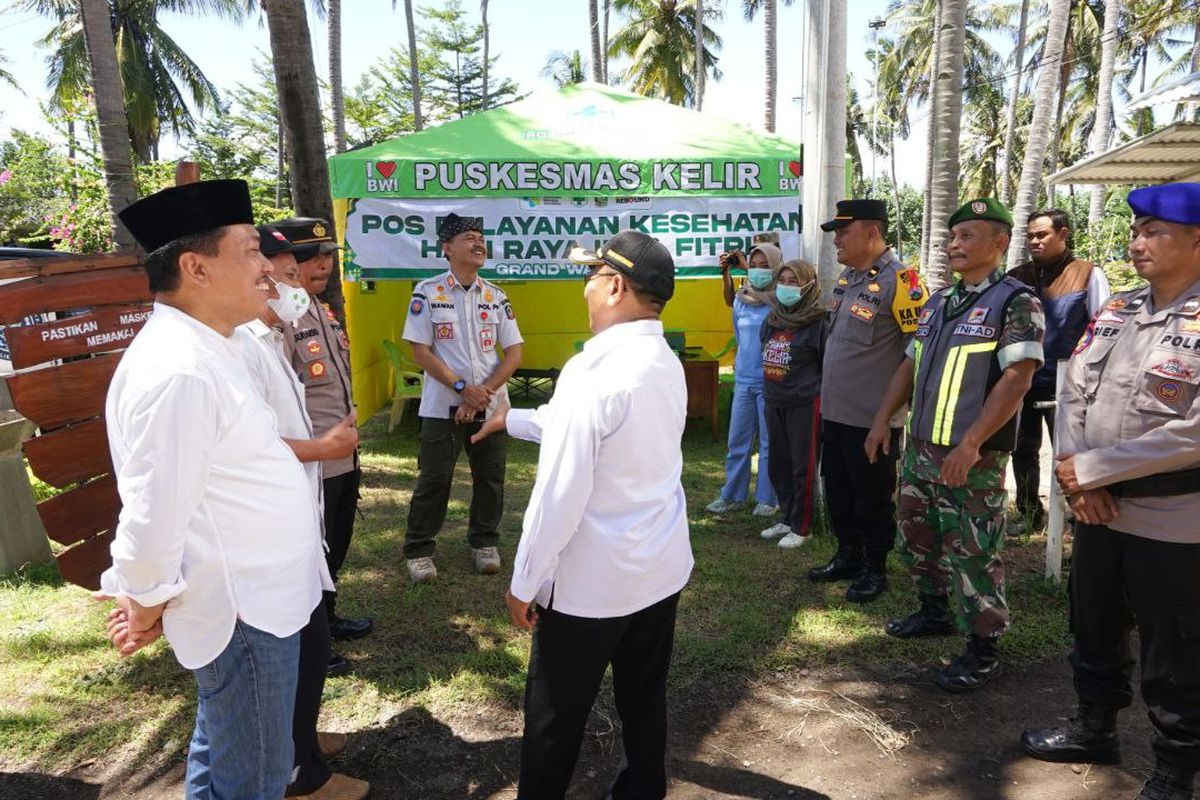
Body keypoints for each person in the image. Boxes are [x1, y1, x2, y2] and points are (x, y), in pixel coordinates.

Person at [96, 180, 327, 799]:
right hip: (241, 612)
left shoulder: (213, 346)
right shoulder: (180, 370)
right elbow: (153, 511)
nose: (267, 268)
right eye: (252, 251)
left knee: (227, 751)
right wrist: (142, 598)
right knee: (253, 778)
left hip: (258, 602)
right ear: (196, 267)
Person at [471, 230, 692, 799]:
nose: (586, 288)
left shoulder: (595, 373)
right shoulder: (662, 360)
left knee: (554, 719)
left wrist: (524, 581)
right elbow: (593, 434)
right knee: (644, 698)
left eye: (590, 276)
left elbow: (559, 495)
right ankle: (644, 789)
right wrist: (513, 419)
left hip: (592, 586)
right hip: (658, 569)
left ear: (616, 285)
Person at [1020, 184, 1200, 800]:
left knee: (1173, 649)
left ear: (1197, 240)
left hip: (1173, 518)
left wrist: (1096, 471)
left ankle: (1176, 769)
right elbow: (1072, 389)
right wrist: (1076, 471)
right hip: (1097, 507)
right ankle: (1093, 726)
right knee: (1092, 625)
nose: (1137, 242)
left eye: (1154, 231)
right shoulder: (1120, 308)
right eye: (1135, 231)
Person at [866, 198, 1045, 692]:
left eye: (968, 236)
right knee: (917, 534)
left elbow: (1017, 379)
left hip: (974, 455)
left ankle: (983, 645)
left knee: (972, 550)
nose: (955, 245)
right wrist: (883, 419)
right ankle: (933, 610)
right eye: (953, 236)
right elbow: (910, 363)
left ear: (1000, 242)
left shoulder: (1015, 301)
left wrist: (970, 445)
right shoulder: (940, 301)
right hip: (922, 448)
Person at [235, 226, 367, 800]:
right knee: (297, 644)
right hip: (272, 519)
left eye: (291, 273)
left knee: (310, 636)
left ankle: (302, 745)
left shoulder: (268, 338)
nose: (286, 284)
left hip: (301, 501)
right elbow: (257, 444)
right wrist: (323, 450)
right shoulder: (242, 345)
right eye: (277, 273)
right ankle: (298, 769)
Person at [812, 199, 928, 602]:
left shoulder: (904, 281)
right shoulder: (848, 279)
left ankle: (873, 568)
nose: (837, 241)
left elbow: (917, 354)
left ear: (872, 232)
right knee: (840, 491)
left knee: (872, 496)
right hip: (836, 412)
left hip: (872, 418)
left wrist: (886, 418)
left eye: (843, 232)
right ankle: (847, 554)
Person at [401, 213, 524, 583]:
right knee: (435, 478)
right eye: (469, 237)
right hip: (443, 406)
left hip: (490, 409)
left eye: (481, 237)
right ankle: (419, 549)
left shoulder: (496, 295)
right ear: (447, 248)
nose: (478, 243)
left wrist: (480, 395)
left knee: (491, 477)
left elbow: (515, 353)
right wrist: (460, 389)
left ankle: (484, 542)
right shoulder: (428, 292)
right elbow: (420, 350)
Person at [274, 218, 375, 643]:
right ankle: (312, 638)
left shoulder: (318, 308)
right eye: (309, 258)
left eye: (327, 257)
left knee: (336, 542)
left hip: (342, 455)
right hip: (312, 460)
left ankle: (327, 621)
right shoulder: (282, 316)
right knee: (312, 552)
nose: (323, 265)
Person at [1007, 209, 1109, 533]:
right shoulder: (1015, 277)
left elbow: (1103, 327)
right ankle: (1029, 514)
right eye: (1030, 236)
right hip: (1021, 379)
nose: (1034, 241)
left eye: (1042, 235)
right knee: (1022, 448)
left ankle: (1079, 519)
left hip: (1068, 382)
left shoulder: (1088, 274)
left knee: (1070, 452)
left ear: (1063, 234)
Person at [704, 243, 780, 517]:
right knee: (737, 442)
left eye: (764, 266)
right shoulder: (742, 299)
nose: (758, 272)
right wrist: (727, 272)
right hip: (744, 381)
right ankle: (733, 495)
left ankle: (767, 499)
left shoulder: (780, 299)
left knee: (769, 444)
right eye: (754, 265)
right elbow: (738, 332)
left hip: (771, 382)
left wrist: (746, 268)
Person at [758, 259, 827, 550]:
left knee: (803, 467)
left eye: (794, 281)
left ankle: (802, 525)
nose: (786, 286)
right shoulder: (772, 319)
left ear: (809, 286)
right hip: (775, 399)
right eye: (783, 280)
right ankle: (786, 517)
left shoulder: (818, 322)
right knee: (779, 464)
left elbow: (827, 364)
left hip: (804, 403)